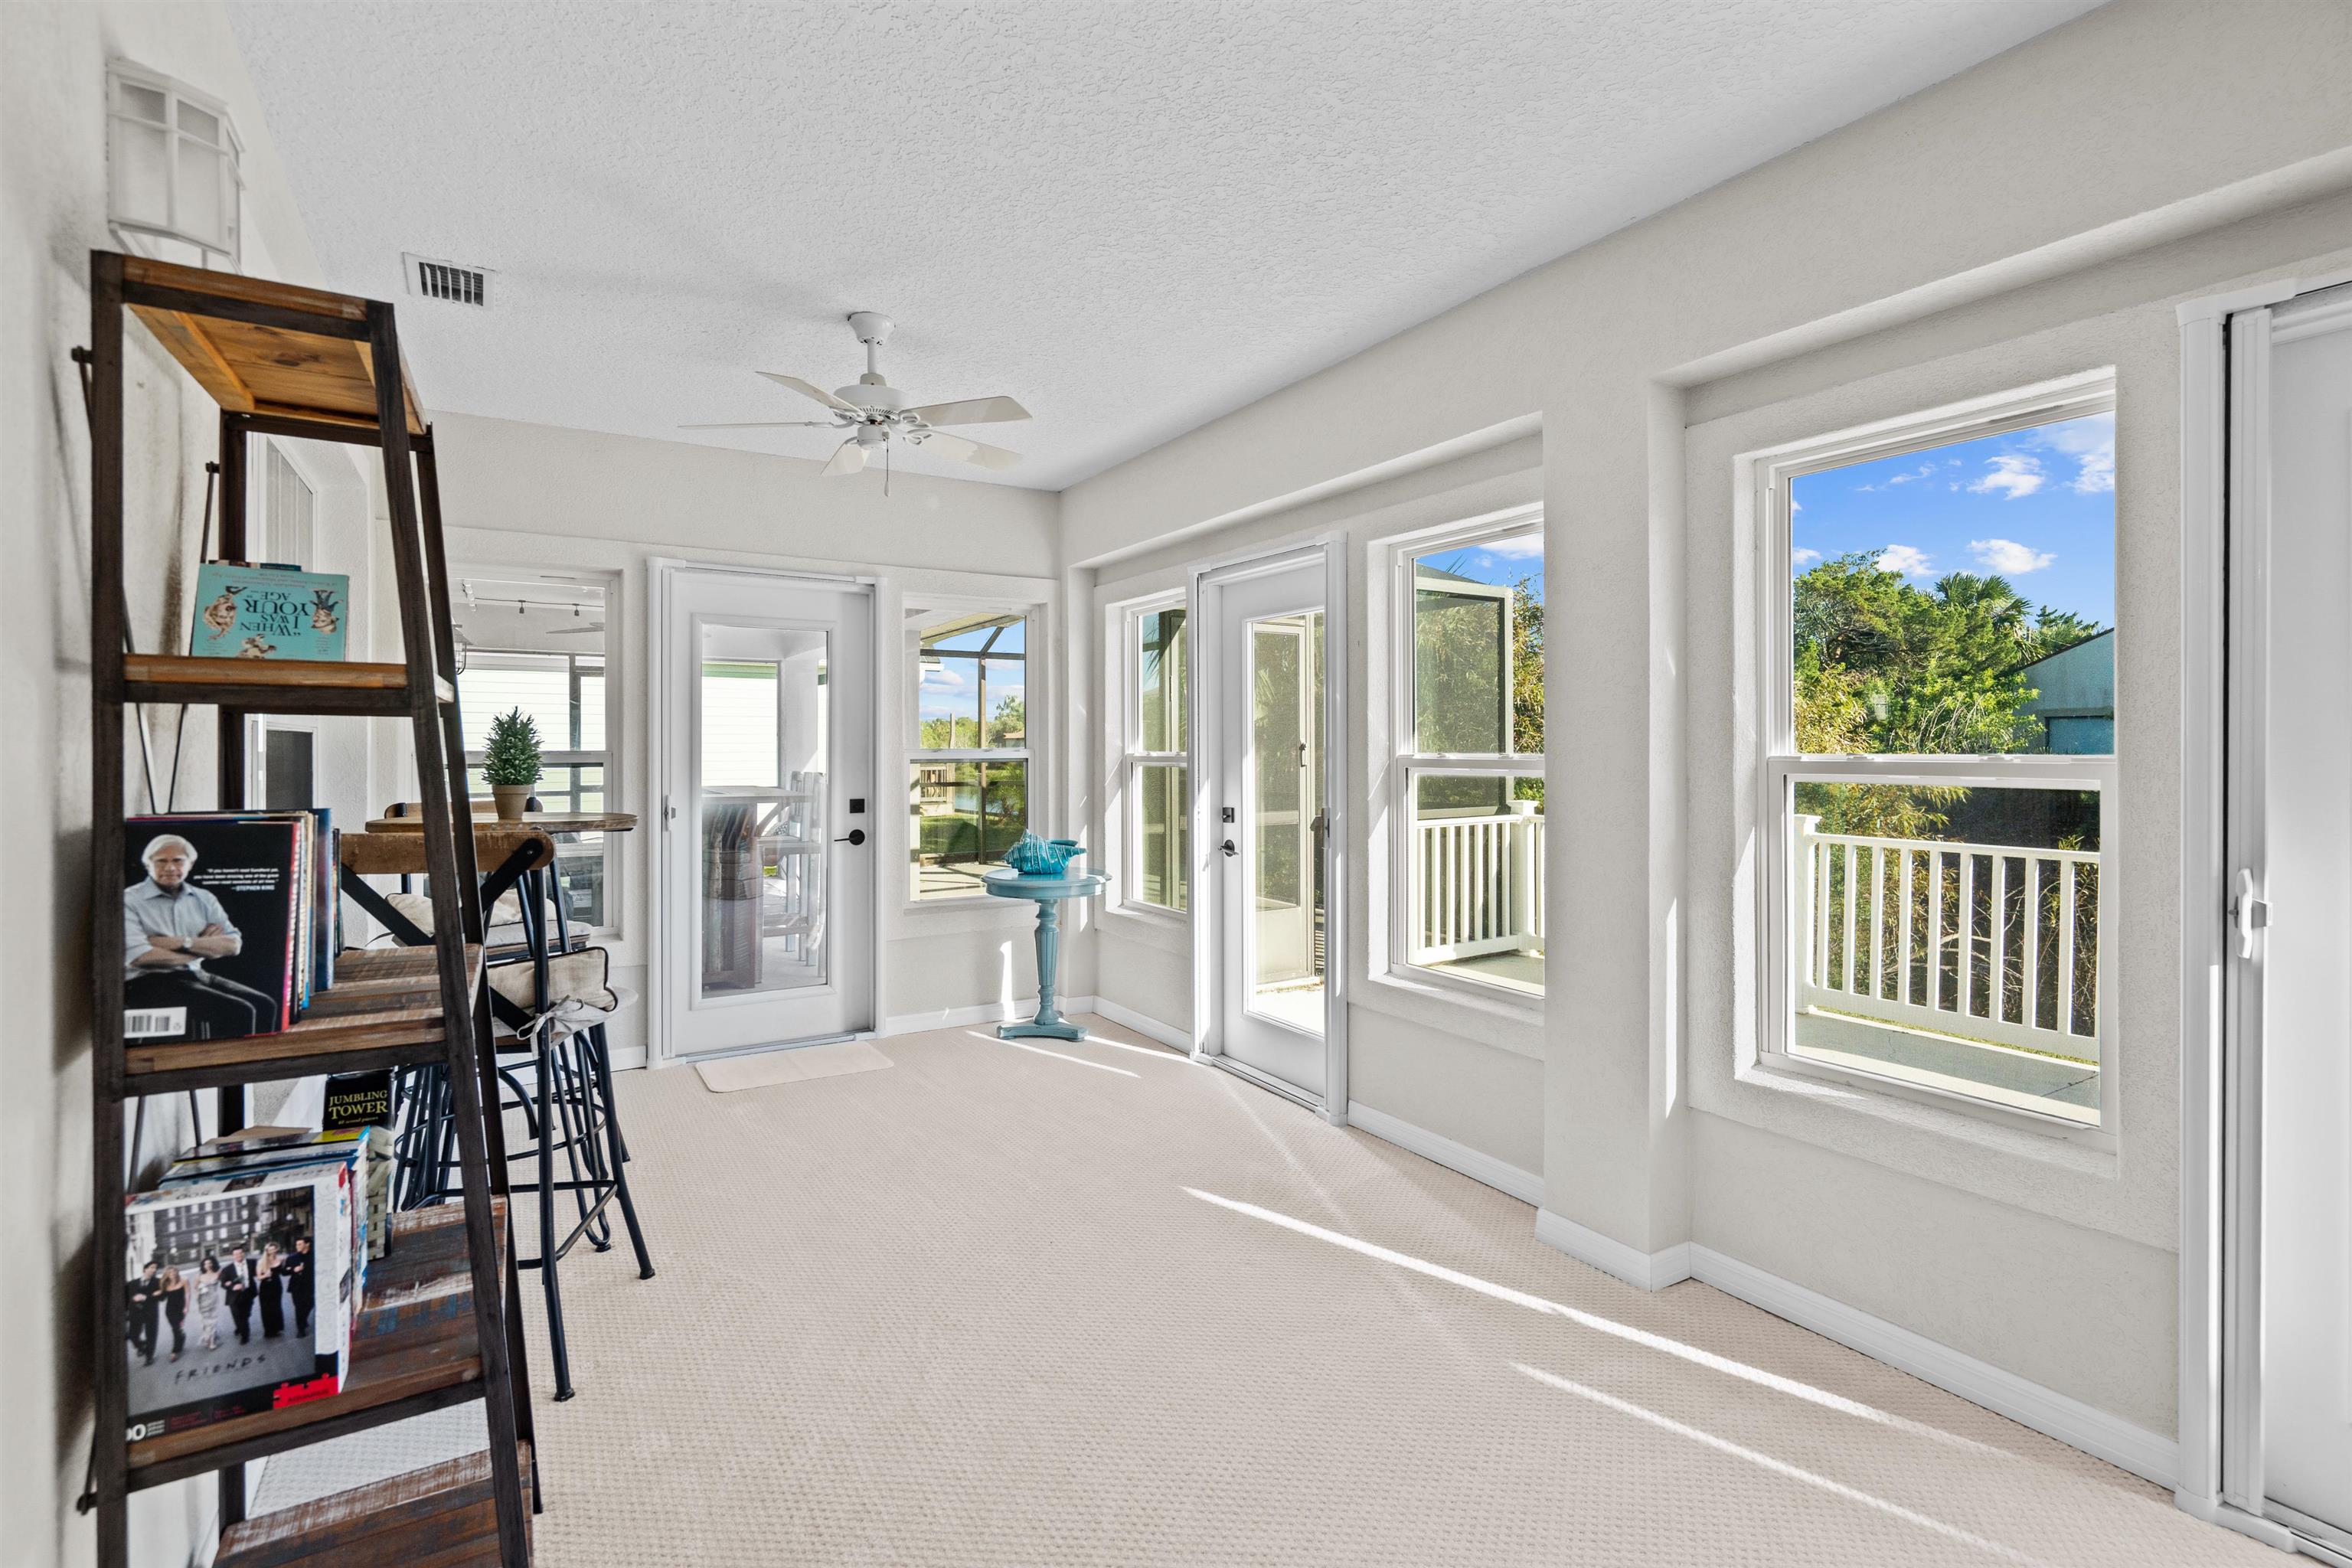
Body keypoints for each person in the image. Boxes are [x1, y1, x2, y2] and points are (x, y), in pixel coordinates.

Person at [122, 834, 276, 1038]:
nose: (170, 868)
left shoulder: (203, 898)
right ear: (147, 864)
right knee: (239, 1011)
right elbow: (140, 958)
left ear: (190, 864)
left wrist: (179, 943)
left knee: (266, 1005)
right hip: (149, 981)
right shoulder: (129, 900)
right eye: (161, 861)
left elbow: (233, 945)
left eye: (177, 860)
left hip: (196, 974)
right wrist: (204, 948)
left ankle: (259, 1066)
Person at [125, 1260, 162, 1366]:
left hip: (151, 1312)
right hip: (135, 1312)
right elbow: (126, 1297)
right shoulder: (133, 1283)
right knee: (133, 1335)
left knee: (151, 1335)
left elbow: (161, 1296)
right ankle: (142, 1346)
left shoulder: (158, 1282)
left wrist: (146, 1297)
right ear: (145, 1269)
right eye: (152, 1267)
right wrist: (133, 1299)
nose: (154, 1270)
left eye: (155, 1268)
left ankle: (149, 1357)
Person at [221, 1244, 256, 1345]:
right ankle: (245, 1336)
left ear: (243, 1253)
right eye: (236, 1254)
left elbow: (259, 1271)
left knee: (246, 1315)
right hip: (234, 1296)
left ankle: (240, 1327)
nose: (238, 1256)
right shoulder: (227, 1269)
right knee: (238, 1316)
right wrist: (232, 1286)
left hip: (248, 1293)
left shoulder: (252, 1263)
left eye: (240, 1253)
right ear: (233, 1256)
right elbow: (223, 1283)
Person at [284, 1236, 314, 1338]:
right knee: (299, 1308)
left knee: (310, 1305)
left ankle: (303, 1319)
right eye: (297, 1244)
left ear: (307, 1244)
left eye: (300, 1244)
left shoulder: (313, 1257)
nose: (297, 1246)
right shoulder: (292, 1258)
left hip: (310, 1287)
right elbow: (284, 1272)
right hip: (296, 1287)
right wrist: (293, 1270)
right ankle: (300, 1330)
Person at [194, 1257, 224, 1352]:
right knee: (206, 1321)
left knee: (213, 1321)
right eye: (205, 1264)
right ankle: (207, 1337)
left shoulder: (217, 1273)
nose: (208, 1265)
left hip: (214, 1299)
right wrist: (200, 1289)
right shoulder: (200, 1276)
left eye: (210, 1263)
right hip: (203, 1300)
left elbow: (225, 1279)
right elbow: (195, 1287)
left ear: (213, 1264)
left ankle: (212, 1342)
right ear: (203, 1266)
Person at [158, 1266, 188, 1362]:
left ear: (177, 1272)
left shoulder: (183, 1281)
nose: (173, 1274)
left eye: (174, 1271)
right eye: (170, 1273)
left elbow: (188, 1294)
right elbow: (162, 1297)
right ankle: (176, 1348)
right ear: (167, 1274)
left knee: (176, 1329)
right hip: (170, 1310)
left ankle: (176, 1348)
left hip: (180, 1309)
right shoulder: (165, 1284)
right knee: (175, 1329)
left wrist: (186, 1307)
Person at [256, 1243, 284, 1341]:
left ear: (276, 1250)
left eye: (274, 1249)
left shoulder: (280, 1260)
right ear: (267, 1251)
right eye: (270, 1250)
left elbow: (282, 1272)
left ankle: (276, 1329)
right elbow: (259, 1277)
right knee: (266, 1309)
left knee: (276, 1307)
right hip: (265, 1288)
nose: (272, 1251)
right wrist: (266, 1275)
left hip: (277, 1286)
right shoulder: (261, 1262)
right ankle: (268, 1331)